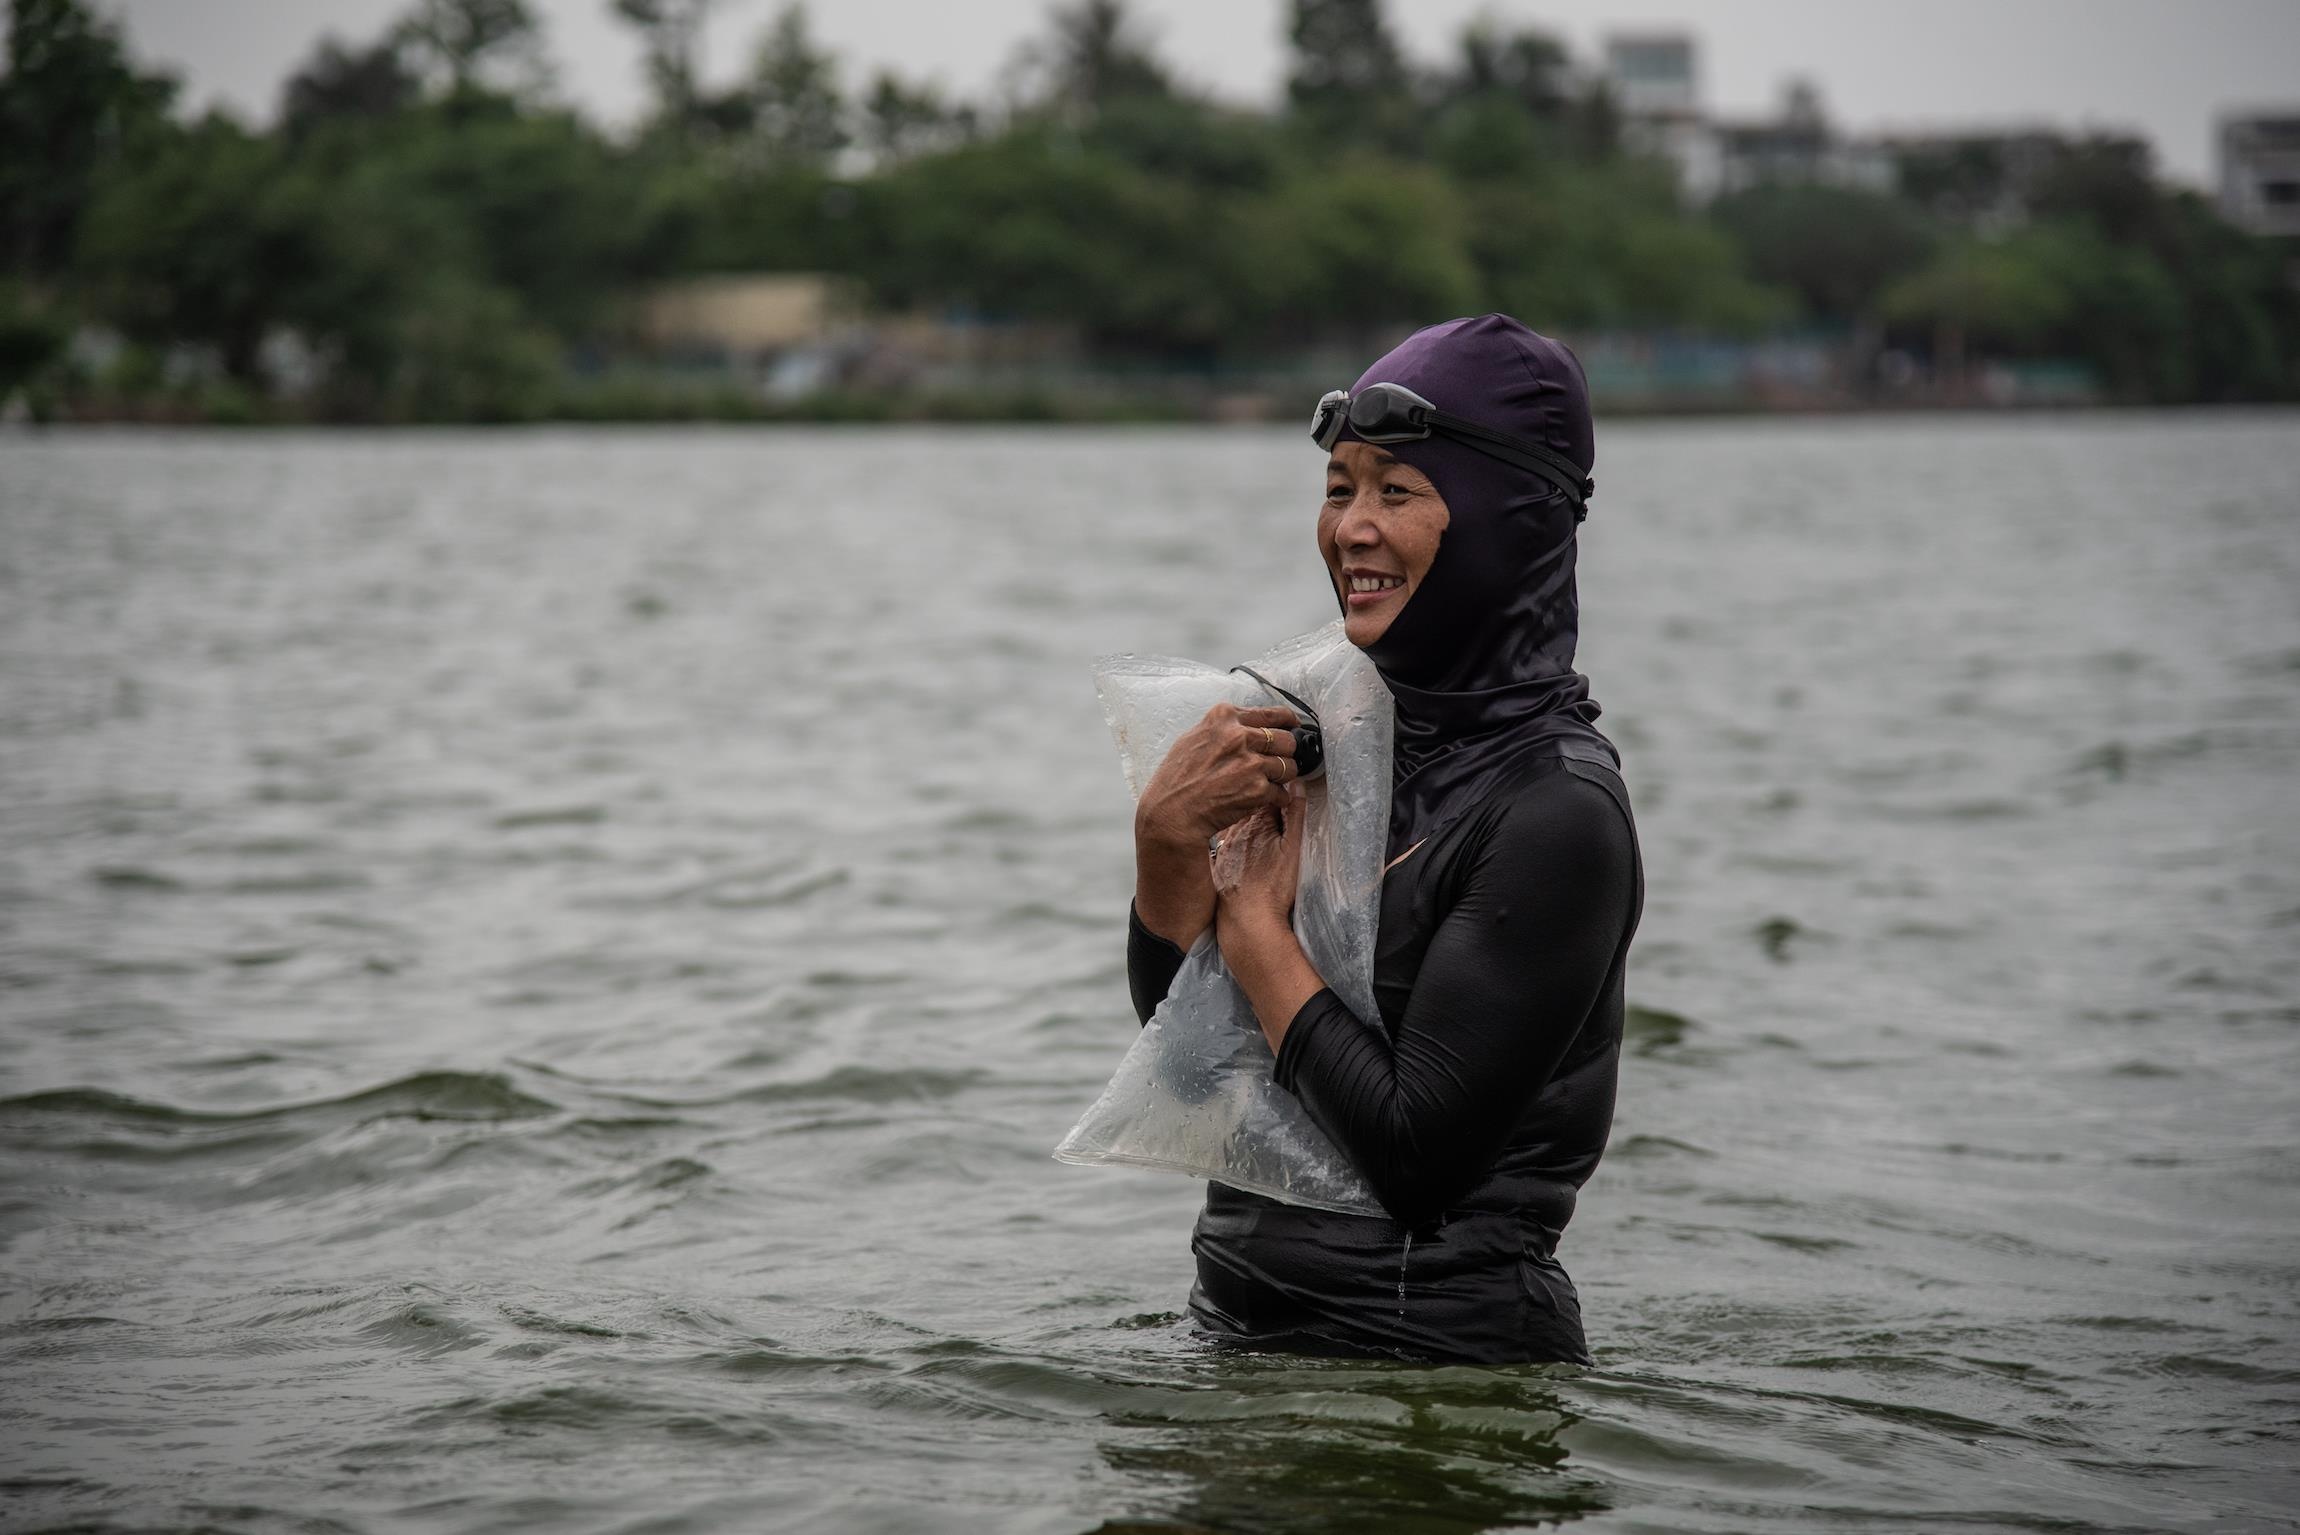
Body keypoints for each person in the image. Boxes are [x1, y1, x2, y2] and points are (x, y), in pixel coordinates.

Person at [1125, 314, 1643, 1366]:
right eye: (1338, 488)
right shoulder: (1326, 737)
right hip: (1235, 1346)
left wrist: (1259, 935)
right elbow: (1187, 1071)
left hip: (1438, 1378)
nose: (1350, 529)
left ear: (1506, 520)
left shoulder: (1556, 812)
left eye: (1395, 492)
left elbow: (1415, 1160)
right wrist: (1164, 844)